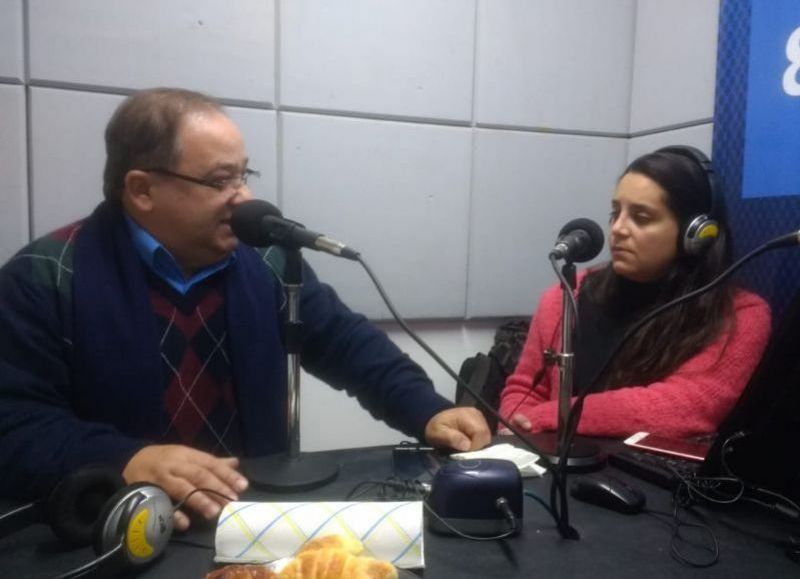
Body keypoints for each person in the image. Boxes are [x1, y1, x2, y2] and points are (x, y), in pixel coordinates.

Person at [0, 87, 489, 530]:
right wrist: (126, 457)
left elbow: (348, 345)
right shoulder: (45, 277)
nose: (245, 198)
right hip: (120, 530)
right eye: (220, 181)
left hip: (252, 523)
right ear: (142, 190)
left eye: (243, 175)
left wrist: (427, 411)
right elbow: (15, 425)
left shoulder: (267, 263)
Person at [499, 146, 771, 439]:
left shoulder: (740, 314)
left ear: (695, 234)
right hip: (553, 469)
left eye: (641, 217)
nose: (617, 229)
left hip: (650, 480)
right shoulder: (565, 296)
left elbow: (686, 406)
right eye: (615, 213)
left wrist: (546, 417)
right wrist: (516, 429)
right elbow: (524, 389)